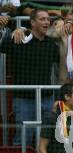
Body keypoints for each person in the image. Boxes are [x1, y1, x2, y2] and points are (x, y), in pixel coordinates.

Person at [0, 8, 58, 145]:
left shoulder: (51, 44)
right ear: (32, 22)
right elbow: (1, 46)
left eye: (48, 19)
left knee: (47, 139)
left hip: (47, 98)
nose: (46, 22)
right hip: (23, 99)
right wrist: (10, 29)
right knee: (23, 139)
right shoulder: (18, 39)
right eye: (42, 19)